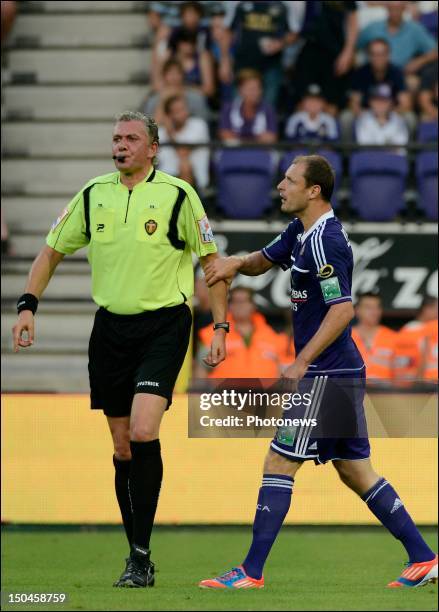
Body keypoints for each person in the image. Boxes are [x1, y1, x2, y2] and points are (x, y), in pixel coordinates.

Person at [11, 111, 229, 588]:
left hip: (165, 325)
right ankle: (138, 557)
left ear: (153, 148)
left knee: (145, 429)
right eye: (116, 138)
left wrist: (220, 327)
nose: (121, 145)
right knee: (123, 445)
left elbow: (211, 263)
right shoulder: (93, 195)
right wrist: (28, 306)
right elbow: (51, 251)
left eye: (131, 138)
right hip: (109, 330)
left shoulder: (178, 195)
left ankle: (141, 552)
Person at [198, 154, 437, 589]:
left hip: (326, 374)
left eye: (289, 181)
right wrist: (234, 263)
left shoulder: (328, 242)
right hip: (341, 372)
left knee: (279, 459)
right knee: (356, 471)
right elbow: (264, 260)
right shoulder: (300, 232)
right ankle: (423, 558)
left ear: (313, 191)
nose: (279, 187)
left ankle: (250, 571)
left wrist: (302, 360)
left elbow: (342, 310)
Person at [196, 285, 288, 379]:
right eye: (235, 301)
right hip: (224, 392)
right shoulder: (212, 333)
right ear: (229, 305)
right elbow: (201, 369)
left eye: (244, 301)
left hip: (265, 393)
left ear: (253, 305)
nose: (240, 305)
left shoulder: (274, 335)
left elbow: (283, 370)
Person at [222, 1, 301, 106]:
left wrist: (280, 43)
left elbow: (294, 33)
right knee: (238, 106)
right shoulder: (237, 3)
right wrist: (225, 61)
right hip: (243, 63)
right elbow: (226, 32)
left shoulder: (286, 4)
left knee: (268, 108)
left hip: (271, 66)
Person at [290, 1, 358, 112]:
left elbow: (353, 21)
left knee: (332, 103)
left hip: (334, 52)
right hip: (308, 49)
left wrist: (348, 52)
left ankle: (328, 128)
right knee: (301, 100)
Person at [357, 1, 438, 76]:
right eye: (392, 8)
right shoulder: (373, 28)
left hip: (401, 76)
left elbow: (435, 51)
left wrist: (418, 62)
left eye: (398, 8)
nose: (395, 12)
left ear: (404, 9)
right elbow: (354, 46)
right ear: (387, 9)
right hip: (372, 76)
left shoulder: (415, 29)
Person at [157, 94, 210, 189]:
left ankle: (185, 202)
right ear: (169, 115)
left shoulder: (199, 125)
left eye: (184, 108)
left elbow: (183, 152)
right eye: (177, 111)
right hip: (166, 179)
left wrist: (171, 134)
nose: (184, 113)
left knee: (185, 165)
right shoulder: (161, 132)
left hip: (195, 181)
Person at [141, 58, 210, 122]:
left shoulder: (196, 98)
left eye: (177, 73)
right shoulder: (153, 101)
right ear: (164, 76)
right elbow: (150, 129)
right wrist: (163, 101)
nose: (174, 77)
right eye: (170, 73)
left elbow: (202, 125)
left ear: (183, 75)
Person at [219, 69, 277, 144]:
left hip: (261, 152)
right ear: (240, 90)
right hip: (233, 152)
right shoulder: (228, 108)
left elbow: (271, 138)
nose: (254, 93)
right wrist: (258, 137)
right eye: (250, 89)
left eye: (257, 88)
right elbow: (225, 135)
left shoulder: (268, 109)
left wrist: (237, 136)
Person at [351, 291, 397, 380]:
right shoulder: (346, 337)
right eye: (368, 307)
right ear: (357, 310)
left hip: (385, 392)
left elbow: (401, 373)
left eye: (377, 307)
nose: (374, 312)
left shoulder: (393, 337)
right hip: (354, 391)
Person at [393, 296, 438, 382]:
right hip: (418, 385)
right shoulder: (410, 329)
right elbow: (405, 364)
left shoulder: (434, 330)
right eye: (437, 309)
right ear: (427, 309)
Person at [354, 83, 409, 150]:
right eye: (377, 100)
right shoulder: (363, 119)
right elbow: (364, 147)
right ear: (370, 102)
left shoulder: (399, 120)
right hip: (369, 159)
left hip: (391, 160)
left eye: (384, 100)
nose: (380, 104)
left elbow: (401, 149)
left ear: (391, 102)